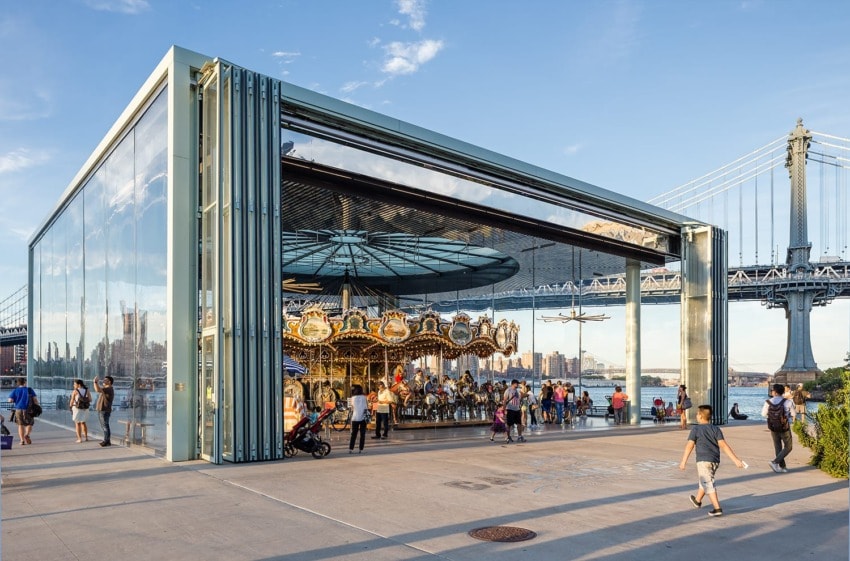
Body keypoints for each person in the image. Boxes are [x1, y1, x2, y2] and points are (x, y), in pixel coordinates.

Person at [679, 404, 745, 517]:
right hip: (714, 461)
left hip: (703, 461)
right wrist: (736, 460)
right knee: (705, 480)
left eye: (697, 414)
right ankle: (697, 501)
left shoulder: (696, 429)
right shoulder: (716, 429)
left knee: (708, 483)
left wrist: (683, 461)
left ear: (700, 416)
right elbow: (724, 446)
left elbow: (689, 446)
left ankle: (717, 508)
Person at [762, 383, 795, 473]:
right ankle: (775, 462)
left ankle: (781, 467)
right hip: (784, 427)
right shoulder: (788, 402)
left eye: (772, 390)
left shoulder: (768, 402)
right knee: (788, 447)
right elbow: (793, 414)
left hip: (773, 427)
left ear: (775, 392)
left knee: (778, 447)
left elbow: (763, 414)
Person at [8, 377, 37, 446]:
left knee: (20, 425)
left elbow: (10, 400)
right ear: (24, 382)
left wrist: (15, 400)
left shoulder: (15, 390)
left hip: (18, 409)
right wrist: (37, 407)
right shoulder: (29, 390)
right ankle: (27, 435)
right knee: (29, 423)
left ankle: (22, 441)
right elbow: (35, 400)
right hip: (29, 409)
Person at [93, 375, 115, 447]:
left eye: (105, 380)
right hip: (102, 409)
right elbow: (98, 389)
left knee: (105, 426)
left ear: (109, 382)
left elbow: (97, 390)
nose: (103, 381)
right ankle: (107, 440)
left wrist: (95, 382)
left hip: (104, 410)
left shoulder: (109, 388)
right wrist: (95, 383)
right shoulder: (106, 389)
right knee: (104, 426)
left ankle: (106, 441)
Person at [348, 384, 368, 454]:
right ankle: (361, 448)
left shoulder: (352, 398)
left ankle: (351, 448)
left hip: (355, 417)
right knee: (362, 434)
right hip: (362, 417)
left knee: (354, 434)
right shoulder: (364, 397)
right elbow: (366, 407)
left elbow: (351, 407)